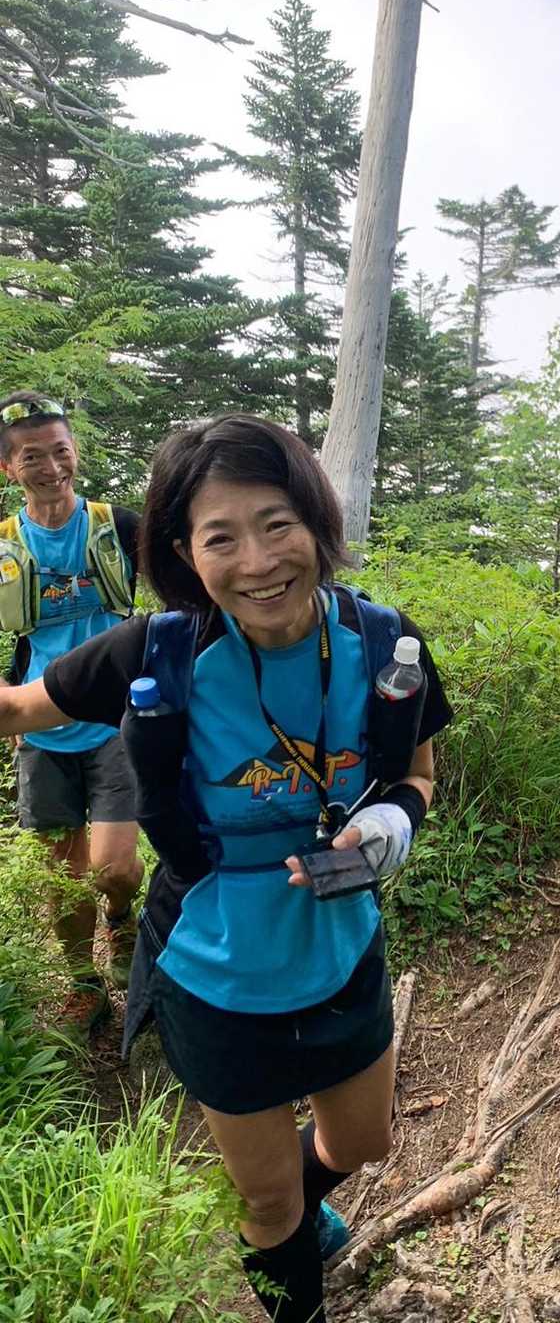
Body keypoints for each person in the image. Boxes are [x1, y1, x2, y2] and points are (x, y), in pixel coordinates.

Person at [0, 414, 451, 1323]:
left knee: (362, 1143)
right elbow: (17, 710)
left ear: (316, 522)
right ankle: (290, 1269)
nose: (259, 562)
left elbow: (419, 774)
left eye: (278, 523)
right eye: (221, 538)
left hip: (340, 945)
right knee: (269, 1202)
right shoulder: (156, 653)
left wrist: (396, 820)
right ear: (184, 553)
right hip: (213, 968)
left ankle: (296, 1205)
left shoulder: (382, 642)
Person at [0, 391, 142, 1039]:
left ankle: (123, 919)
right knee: (65, 877)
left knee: (115, 868)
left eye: (60, 451)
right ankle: (85, 984)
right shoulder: (6, 545)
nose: (51, 467)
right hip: (38, 726)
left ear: (75, 451)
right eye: (33, 456)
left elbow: (186, 587)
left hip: (116, 721)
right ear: (9, 468)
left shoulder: (119, 527)